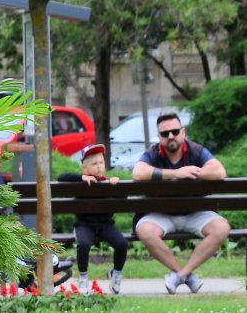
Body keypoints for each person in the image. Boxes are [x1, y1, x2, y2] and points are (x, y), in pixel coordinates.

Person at [130, 110, 228, 293]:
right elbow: (137, 173)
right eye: (165, 134)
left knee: (221, 228)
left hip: (196, 212)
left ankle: (180, 275)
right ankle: (186, 275)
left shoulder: (196, 151)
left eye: (175, 131)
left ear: (183, 132)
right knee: (145, 230)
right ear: (159, 136)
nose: (171, 136)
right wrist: (175, 174)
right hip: (160, 214)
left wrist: (191, 171)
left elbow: (219, 172)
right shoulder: (152, 154)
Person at [58, 144, 127, 293]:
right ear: (85, 168)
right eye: (94, 164)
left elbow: (124, 197)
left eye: (101, 163)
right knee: (83, 244)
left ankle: (116, 274)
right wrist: (81, 178)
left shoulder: (108, 182)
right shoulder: (80, 181)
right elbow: (61, 177)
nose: (98, 167)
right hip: (84, 225)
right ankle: (83, 278)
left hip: (106, 225)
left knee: (122, 244)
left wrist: (116, 185)